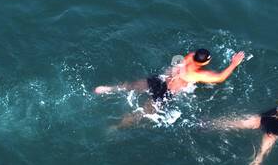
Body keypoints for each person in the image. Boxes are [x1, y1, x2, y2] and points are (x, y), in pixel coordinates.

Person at [95, 48, 247, 125]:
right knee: (143, 112)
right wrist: (233, 64)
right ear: (205, 63)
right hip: (167, 92)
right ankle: (117, 126)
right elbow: (220, 78)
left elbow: (176, 61)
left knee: (133, 85)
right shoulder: (198, 74)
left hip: (161, 79)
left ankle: (108, 89)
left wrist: (173, 70)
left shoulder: (189, 56)